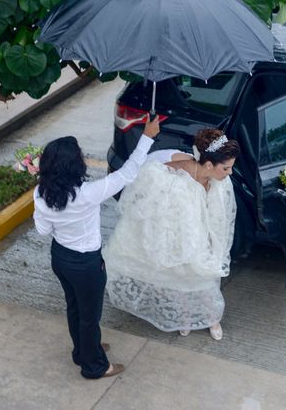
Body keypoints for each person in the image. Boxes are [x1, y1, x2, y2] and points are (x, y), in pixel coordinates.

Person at [33, 115, 160, 379]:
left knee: (74, 308)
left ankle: (83, 350)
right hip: (86, 264)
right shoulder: (88, 193)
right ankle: (94, 367)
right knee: (89, 316)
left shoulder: (41, 194)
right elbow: (128, 172)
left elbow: (43, 230)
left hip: (60, 258)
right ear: (73, 165)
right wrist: (147, 136)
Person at [104, 128, 240, 340]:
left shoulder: (220, 180)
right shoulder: (176, 175)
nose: (230, 172)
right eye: (226, 168)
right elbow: (153, 194)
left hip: (202, 236)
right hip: (180, 236)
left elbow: (221, 214)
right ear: (209, 165)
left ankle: (213, 319)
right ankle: (184, 319)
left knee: (204, 283)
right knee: (180, 283)